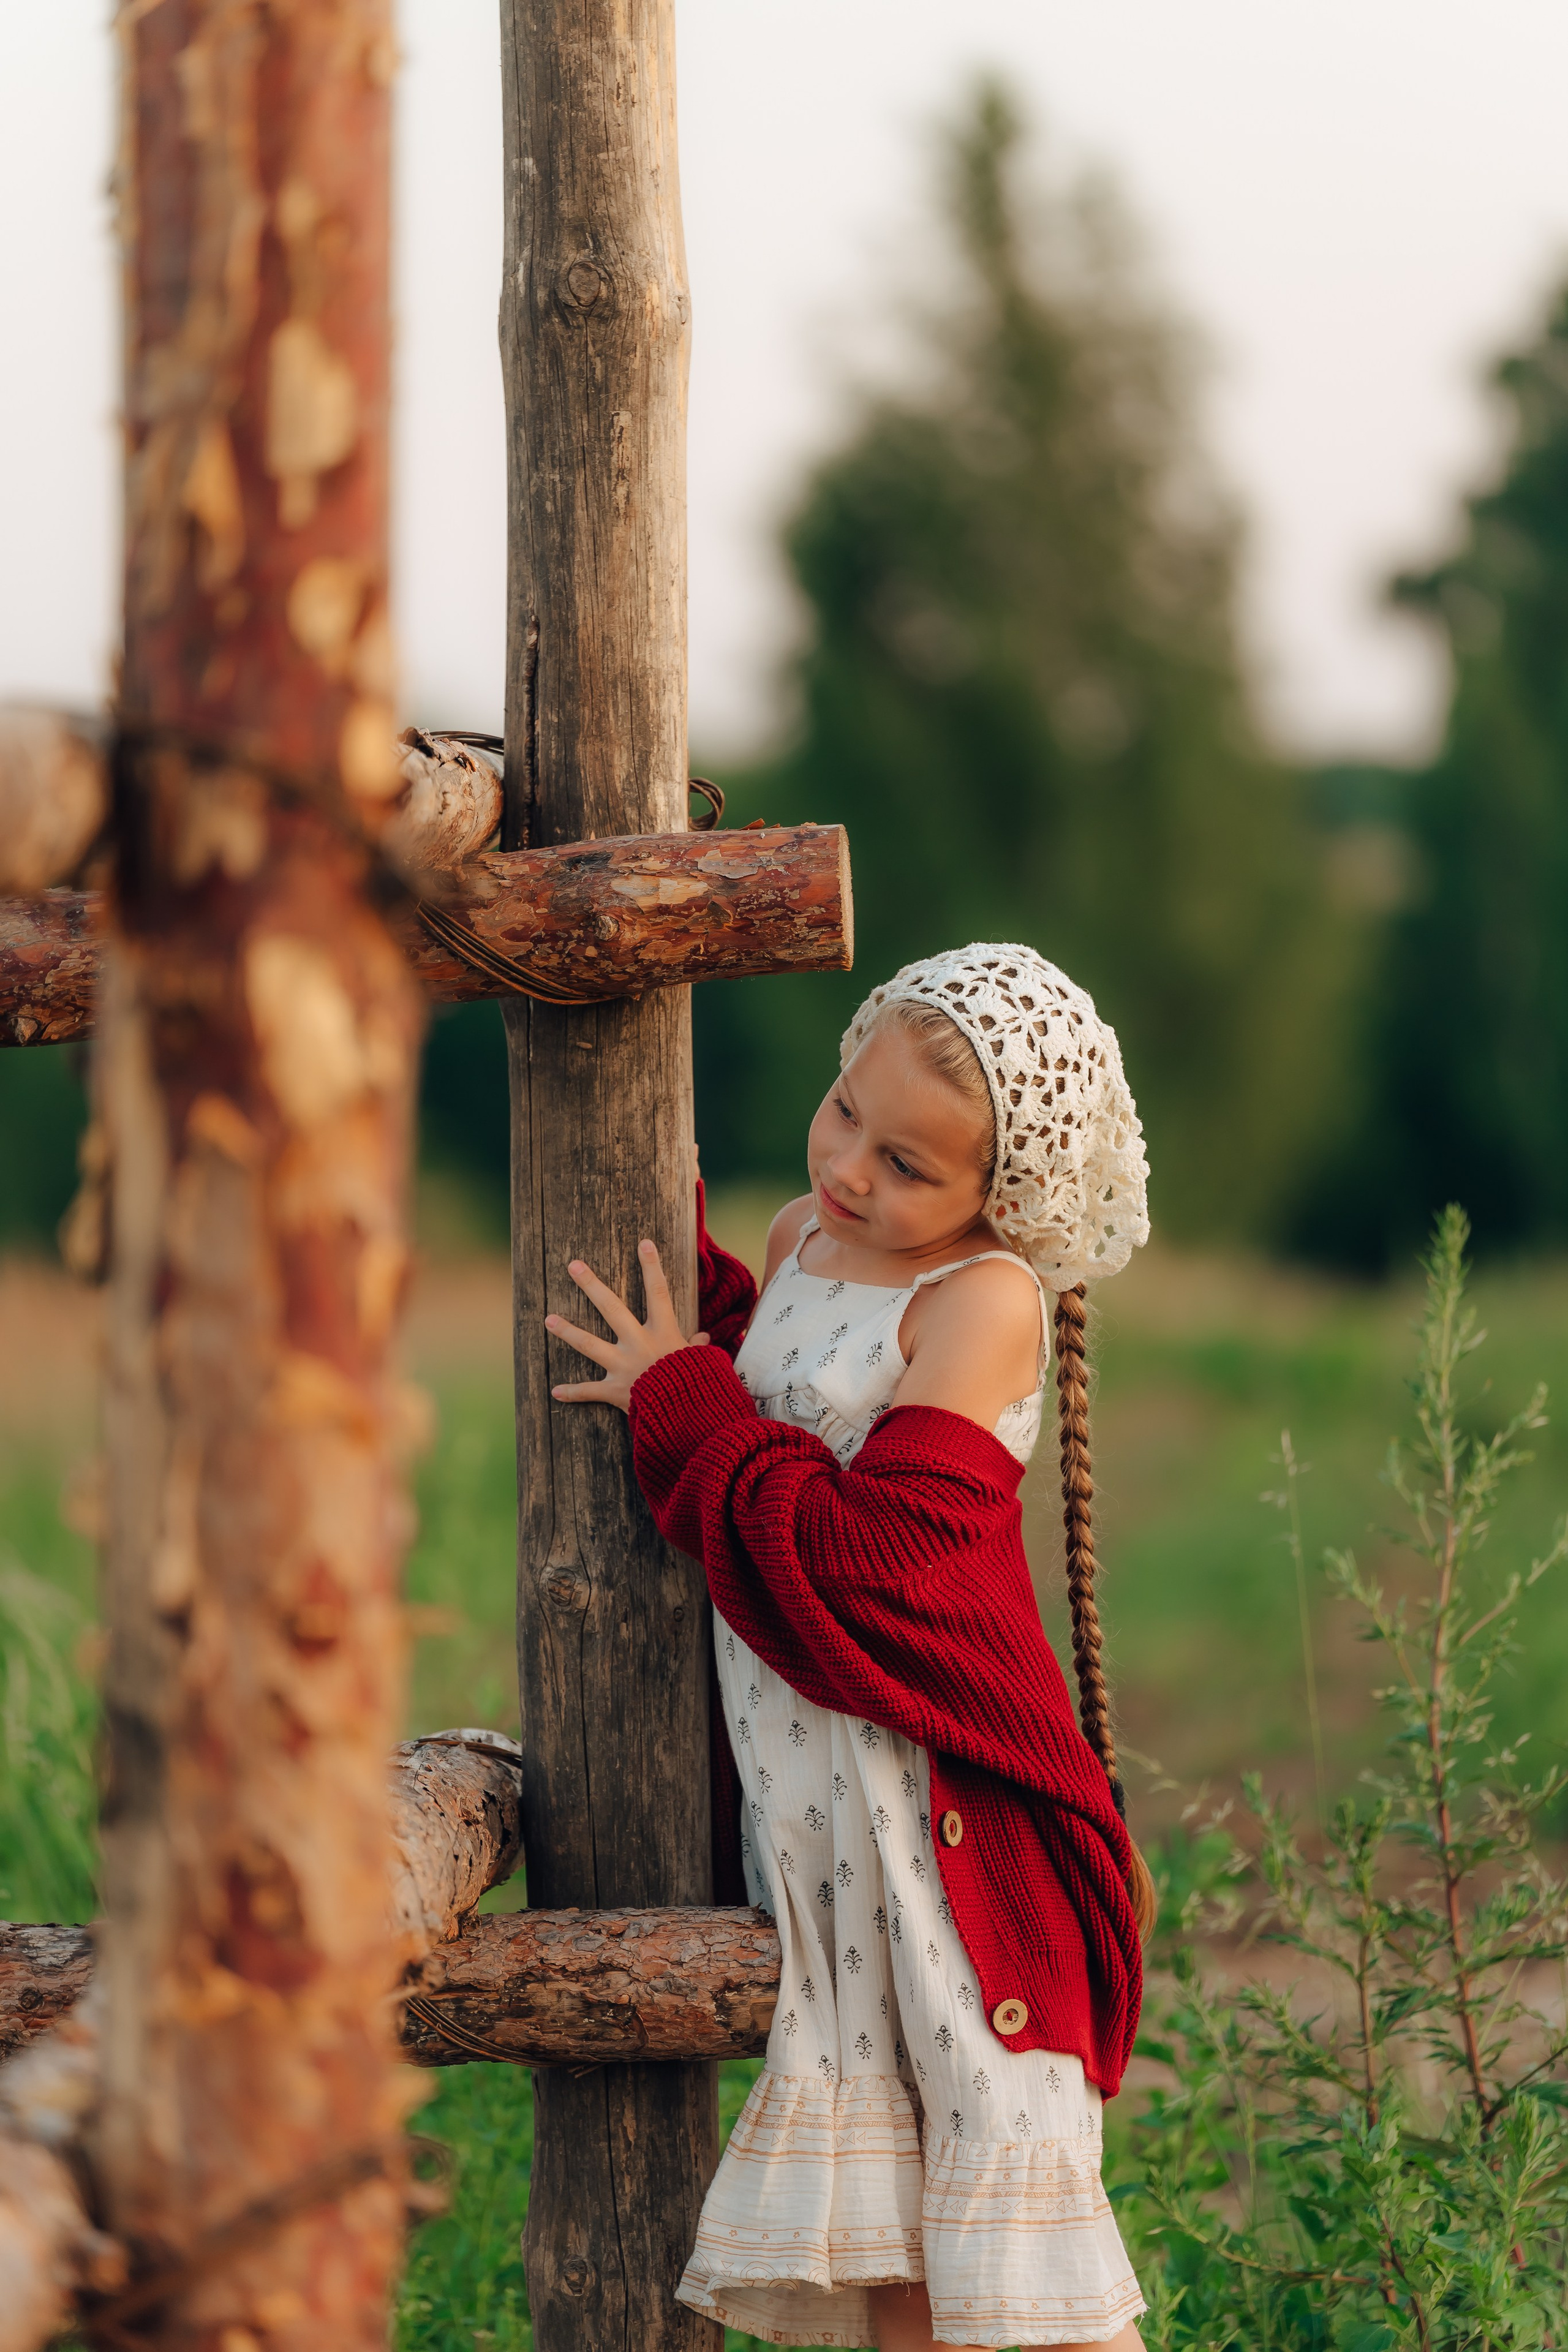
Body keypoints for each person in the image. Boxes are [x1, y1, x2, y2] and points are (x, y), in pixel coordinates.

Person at [546, 944, 1154, 2351]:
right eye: (842, 1112)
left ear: (993, 1198)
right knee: (901, 2285)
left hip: (947, 1857)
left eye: (907, 1165)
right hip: (827, 1862)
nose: (851, 1171)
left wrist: (683, 1400)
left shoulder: (982, 1304)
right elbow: (780, 1384)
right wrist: (676, 1267)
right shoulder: (798, 1240)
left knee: (1014, 2295)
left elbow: (862, 1562)